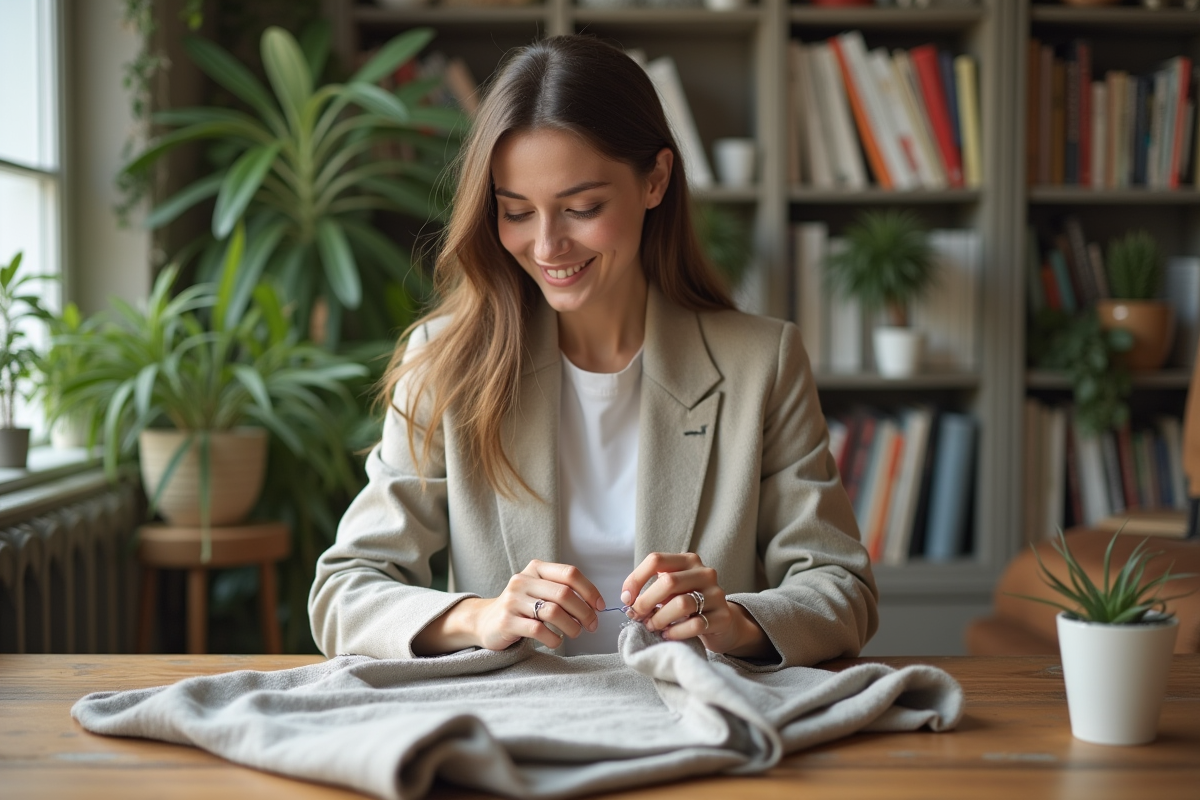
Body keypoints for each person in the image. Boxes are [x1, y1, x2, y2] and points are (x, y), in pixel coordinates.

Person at [308, 35, 878, 666]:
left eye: (582, 208)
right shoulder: (447, 362)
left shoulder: (762, 362)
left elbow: (843, 589)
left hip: (698, 725)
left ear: (655, 180)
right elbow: (343, 592)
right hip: (515, 728)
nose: (548, 246)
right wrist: (482, 615)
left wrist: (735, 620)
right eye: (517, 212)